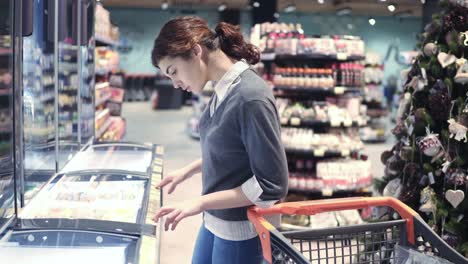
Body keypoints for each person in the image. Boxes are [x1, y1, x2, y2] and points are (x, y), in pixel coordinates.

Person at [151, 16, 288, 264]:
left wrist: (198, 202)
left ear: (195, 51)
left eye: (173, 72)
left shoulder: (250, 96)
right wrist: (188, 170)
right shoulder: (223, 87)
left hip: (242, 231)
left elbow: (271, 185)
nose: (175, 83)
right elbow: (231, 148)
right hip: (217, 220)